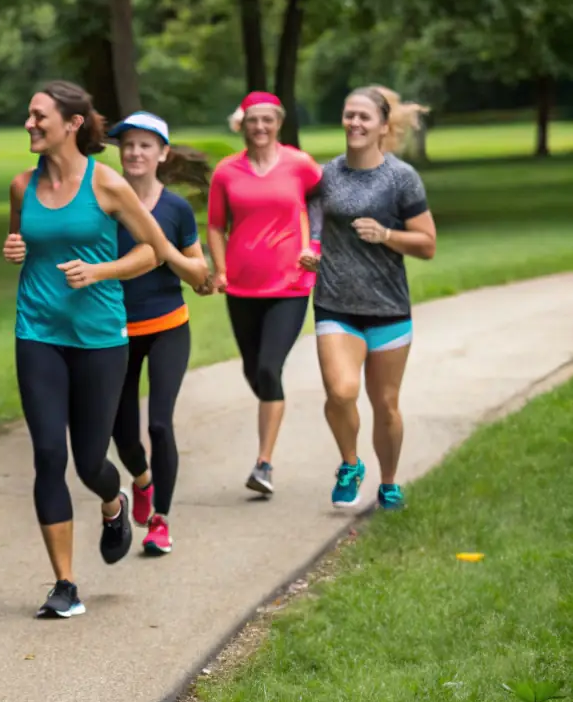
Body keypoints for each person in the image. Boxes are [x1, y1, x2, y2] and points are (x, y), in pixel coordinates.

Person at [3, 83, 181, 620]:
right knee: (48, 457)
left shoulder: (107, 184)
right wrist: (15, 249)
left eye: (39, 116)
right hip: (37, 333)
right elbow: (22, 242)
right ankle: (64, 583)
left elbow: (154, 251)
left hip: (101, 339)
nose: (29, 124)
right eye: (30, 115)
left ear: (73, 123)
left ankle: (115, 500)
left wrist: (101, 270)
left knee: (87, 463)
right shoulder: (21, 186)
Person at [299, 86, 436, 510]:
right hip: (336, 304)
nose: (355, 124)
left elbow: (428, 243)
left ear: (382, 126)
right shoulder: (325, 176)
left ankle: (390, 481)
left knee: (387, 404)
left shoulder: (400, 178)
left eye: (364, 117)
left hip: (389, 308)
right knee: (341, 392)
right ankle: (350, 462)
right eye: (349, 115)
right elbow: (311, 224)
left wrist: (387, 234)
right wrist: (309, 250)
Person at [205, 91, 322, 497]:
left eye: (268, 120)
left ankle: (264, 463)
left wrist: (316, 246)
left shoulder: (300, 165)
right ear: (243, 124)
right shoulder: (226, 172)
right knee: (253, 371)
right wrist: (219, 270)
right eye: (253, 120)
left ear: (279, 123)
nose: (260, 128)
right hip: (241, 285)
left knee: (270, 368)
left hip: (290, 284)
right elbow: (216, 226)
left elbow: (323, 201)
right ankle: (274, 406)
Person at [107, 113, 209, 555]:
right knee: (121, 432)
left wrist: (163, 250)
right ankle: (143, 481)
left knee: (160, 424)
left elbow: (200, 276)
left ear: (162, 154)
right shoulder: (104, 203)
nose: (135, 153)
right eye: (128, 145)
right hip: (115, 331)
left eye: (145, 145)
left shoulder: (176, 209)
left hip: (168, 326)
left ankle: (161, 520)